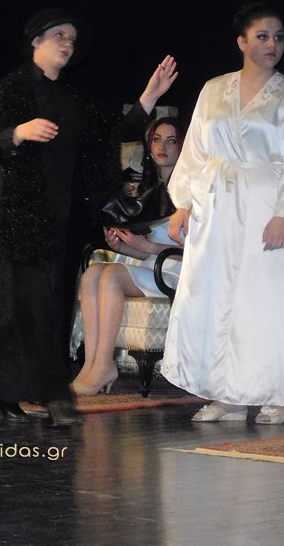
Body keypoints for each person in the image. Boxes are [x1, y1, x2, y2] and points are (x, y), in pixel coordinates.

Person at [0, 7, 177, 426]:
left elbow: (112, 133)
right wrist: (18, 133)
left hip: (56, 217)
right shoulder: (13, 87)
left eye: (71, 39)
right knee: (12, 303)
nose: (67, 44)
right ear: (35, 40)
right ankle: (17, 396)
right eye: (59, 35)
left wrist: (149, 96)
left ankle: (35, 393)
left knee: (47, 307)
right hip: (14, 211)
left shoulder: (73, 97)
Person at [161, 2, 284, 424]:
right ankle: (226, 394)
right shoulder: (214, 89)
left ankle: (279, 395)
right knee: (214, 298)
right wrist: (183, 204)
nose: (272, 44)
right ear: (242, 42)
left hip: (266, 206)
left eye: (278, 37)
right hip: (216, 208)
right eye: (262, 36)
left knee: (266, 300)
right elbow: (196, 150)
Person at [72, 117, 184, 395]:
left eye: (171, 141)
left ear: (182, 146)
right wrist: (123, 246)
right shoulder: (147, 189)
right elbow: (145, 248)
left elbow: (195, 251)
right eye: (157, 139)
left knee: (111, 275)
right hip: (154, 265)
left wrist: (144, 246)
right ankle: (91, 365)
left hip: (179, 271)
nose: (163, 147)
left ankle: (104, 364)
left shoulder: (188, 190)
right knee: (92, 273)